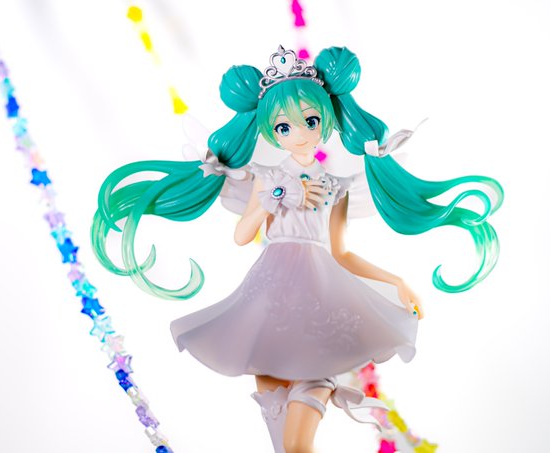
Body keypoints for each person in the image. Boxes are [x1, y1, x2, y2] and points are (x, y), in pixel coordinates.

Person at [91, 46, 503, 453]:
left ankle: (320, 379)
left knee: (297, 444)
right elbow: (242, 235)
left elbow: (341, 254)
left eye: (310, 121)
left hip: (317, 308)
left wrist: (396, 281)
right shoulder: (265, 176)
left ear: (327, 120)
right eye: (284, 127)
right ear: (271, 131)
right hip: (268, 309)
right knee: (283, 443)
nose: (300, 134)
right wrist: (275, 197)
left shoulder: (337, 185)